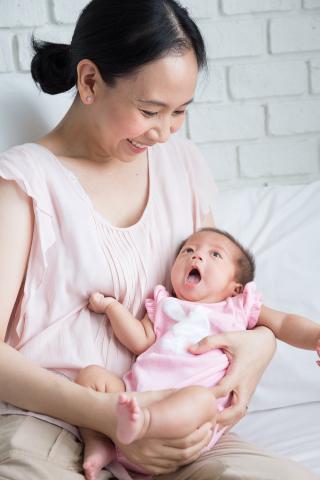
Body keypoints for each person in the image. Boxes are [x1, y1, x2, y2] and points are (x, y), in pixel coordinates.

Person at [0, 0, 317, 479]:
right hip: (54, 426)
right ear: (89, 81)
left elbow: (222, 294)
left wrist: (261, 349)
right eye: (150, 110)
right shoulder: (23, 183)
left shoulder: (181, 166)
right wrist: (110, 418)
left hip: (179, 422)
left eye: (180, 112)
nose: (165, 132)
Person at [76, 227, 320, 479]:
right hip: (131, 400)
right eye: (188, 250)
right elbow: (139, 340)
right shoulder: (165, 304)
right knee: (90, 376)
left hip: (188, 423)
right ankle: (101, 444)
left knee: (200, 399)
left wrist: (315, 336)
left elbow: (284, 323)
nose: (197, 257)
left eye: (215, 255)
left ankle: (144, 422)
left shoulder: (237, 308)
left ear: (236, 287)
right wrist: (112, 307)